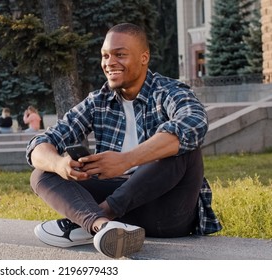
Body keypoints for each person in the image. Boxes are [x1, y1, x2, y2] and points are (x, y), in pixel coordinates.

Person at [26, 23, 222, 259]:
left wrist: (126, 160)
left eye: (120, 54)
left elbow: (194, 123)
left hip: (166, 212)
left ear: (144, 57)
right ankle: (101, 226)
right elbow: (41, 143)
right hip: (121, 209)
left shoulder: (168, 91)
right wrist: (59, 164)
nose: (109, 62)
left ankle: (91, 220)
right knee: (41, 173)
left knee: (183, 148)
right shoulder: (98, 101)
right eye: (105, 55)